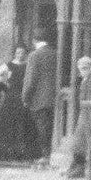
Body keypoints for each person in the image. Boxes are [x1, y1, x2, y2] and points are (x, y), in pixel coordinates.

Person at [64, 56, 91, 178]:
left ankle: (79, 167)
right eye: (80, 69)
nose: (82, 71)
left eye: (85, 68)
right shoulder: (86, 80)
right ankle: (77, 165)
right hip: (85, 115)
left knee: (79, 140)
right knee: (78, 140)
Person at [21, 30, 57, 164]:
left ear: (34, 41)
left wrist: (25, 97)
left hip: (38, 98)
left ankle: (45, 155)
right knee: (50, 126)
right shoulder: (55, 53)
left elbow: (30, 79)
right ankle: (49, 154)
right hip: (54, 98)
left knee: (42, 127)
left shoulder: (34, 55)